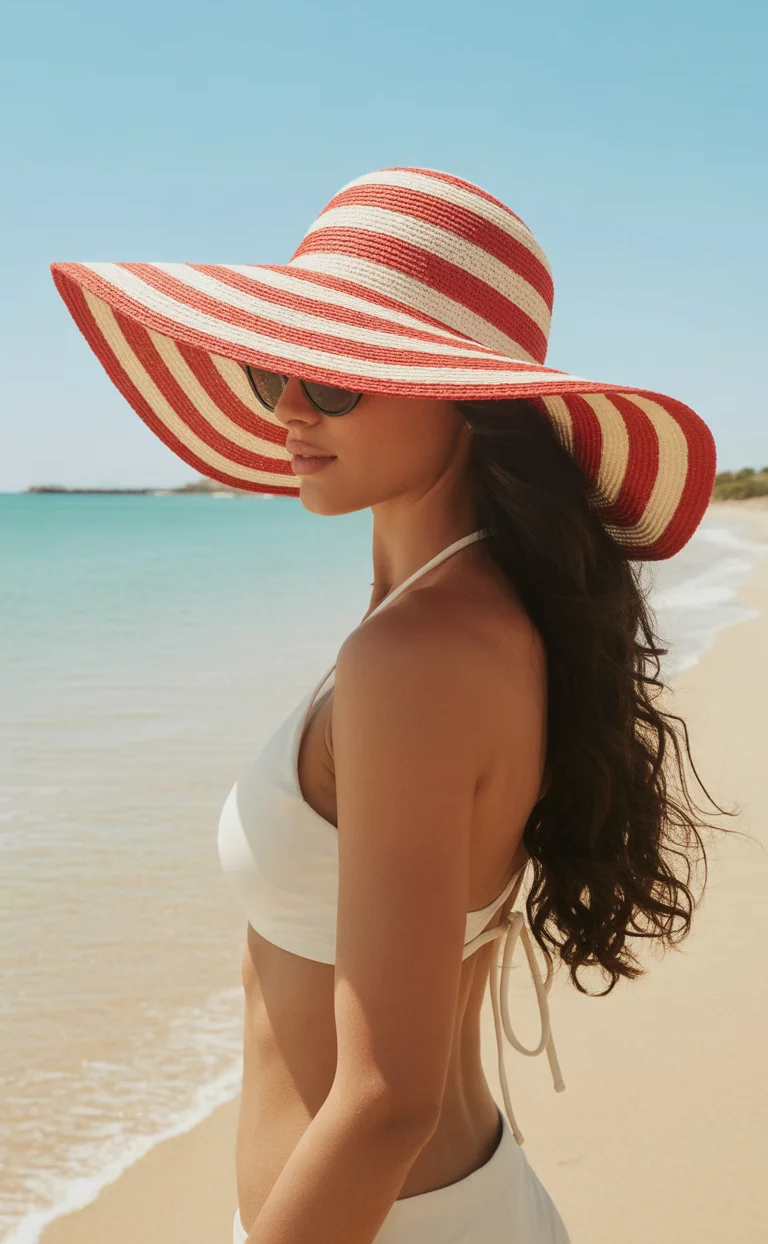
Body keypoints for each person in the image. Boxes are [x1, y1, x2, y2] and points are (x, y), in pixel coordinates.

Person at [51, 166, 720, 1243]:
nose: (291, 412)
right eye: (277, 372)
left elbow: (386, 1099)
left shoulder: (418, 655)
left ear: (465, 397)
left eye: (338, 381)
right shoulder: (461, 613)